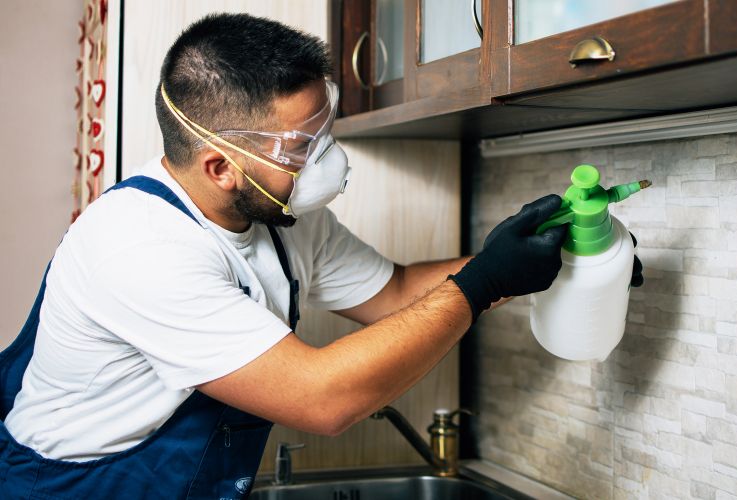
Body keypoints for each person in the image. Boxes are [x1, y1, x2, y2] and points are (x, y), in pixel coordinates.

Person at [0, 13, 642, 499]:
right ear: (222, 166)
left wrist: (539, 261)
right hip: (75, 487)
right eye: (303, 148)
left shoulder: (283, 216)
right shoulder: (139, 249)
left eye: (324, 132)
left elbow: (393, 295)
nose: (329, 162)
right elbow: (323, 400)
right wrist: (479, 287)